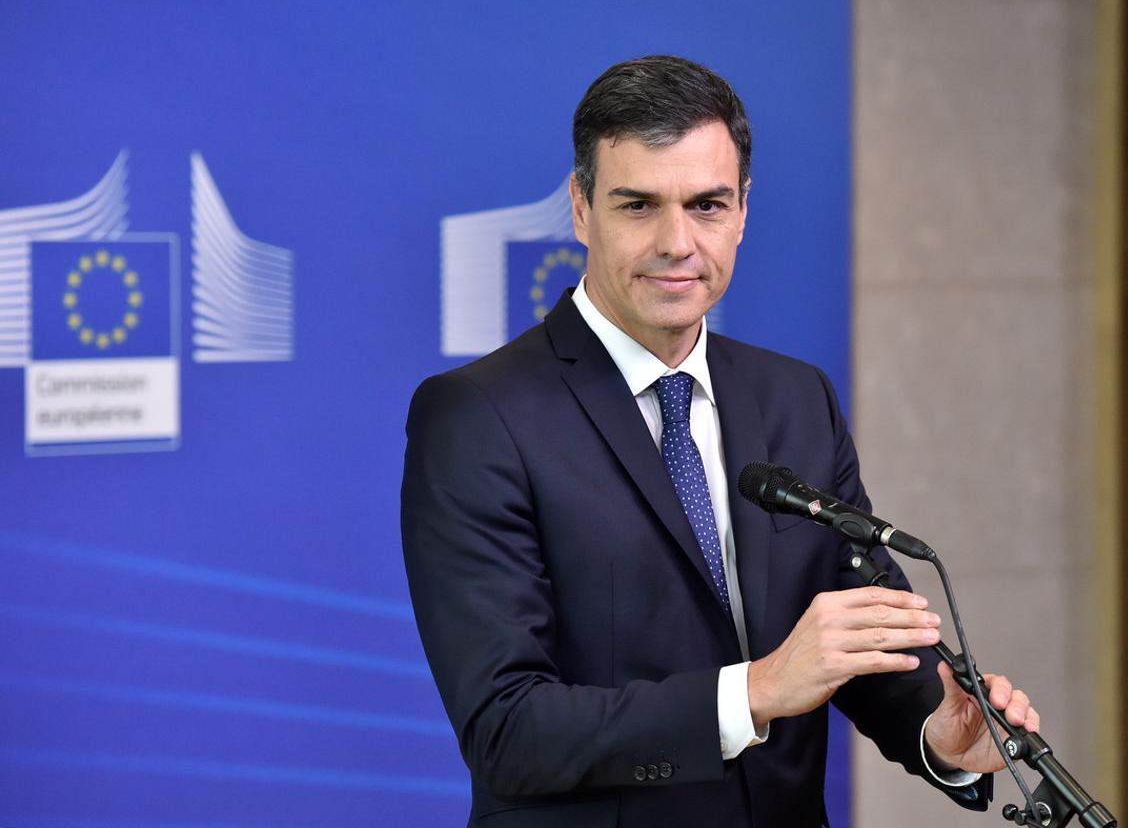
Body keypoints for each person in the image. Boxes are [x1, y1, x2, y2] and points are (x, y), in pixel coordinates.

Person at [401, 55, 1040, 827]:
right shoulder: (477, 417)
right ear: (580, 209)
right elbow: (509, 731)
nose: (678, 242)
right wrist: (759, 688)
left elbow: (859, 631)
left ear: (742, 212)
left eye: (706, 205)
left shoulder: (795, 397)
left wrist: (939, 731)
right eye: (638, 205)